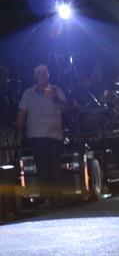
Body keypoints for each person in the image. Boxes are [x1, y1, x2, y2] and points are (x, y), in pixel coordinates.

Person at [16, 65, 69, 205]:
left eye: (44, 74)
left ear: (48, 76)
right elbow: (21, 113)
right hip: (36, 136)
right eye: (39, 74)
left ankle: (58, 197)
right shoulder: (28, 93)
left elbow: (66, 108)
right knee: (42, 166)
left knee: (54, 165)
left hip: (54, 135)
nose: (42, 77)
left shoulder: (57, 90)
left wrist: (54, 99)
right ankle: (46, 198)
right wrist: (19, 132)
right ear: (35, 77)